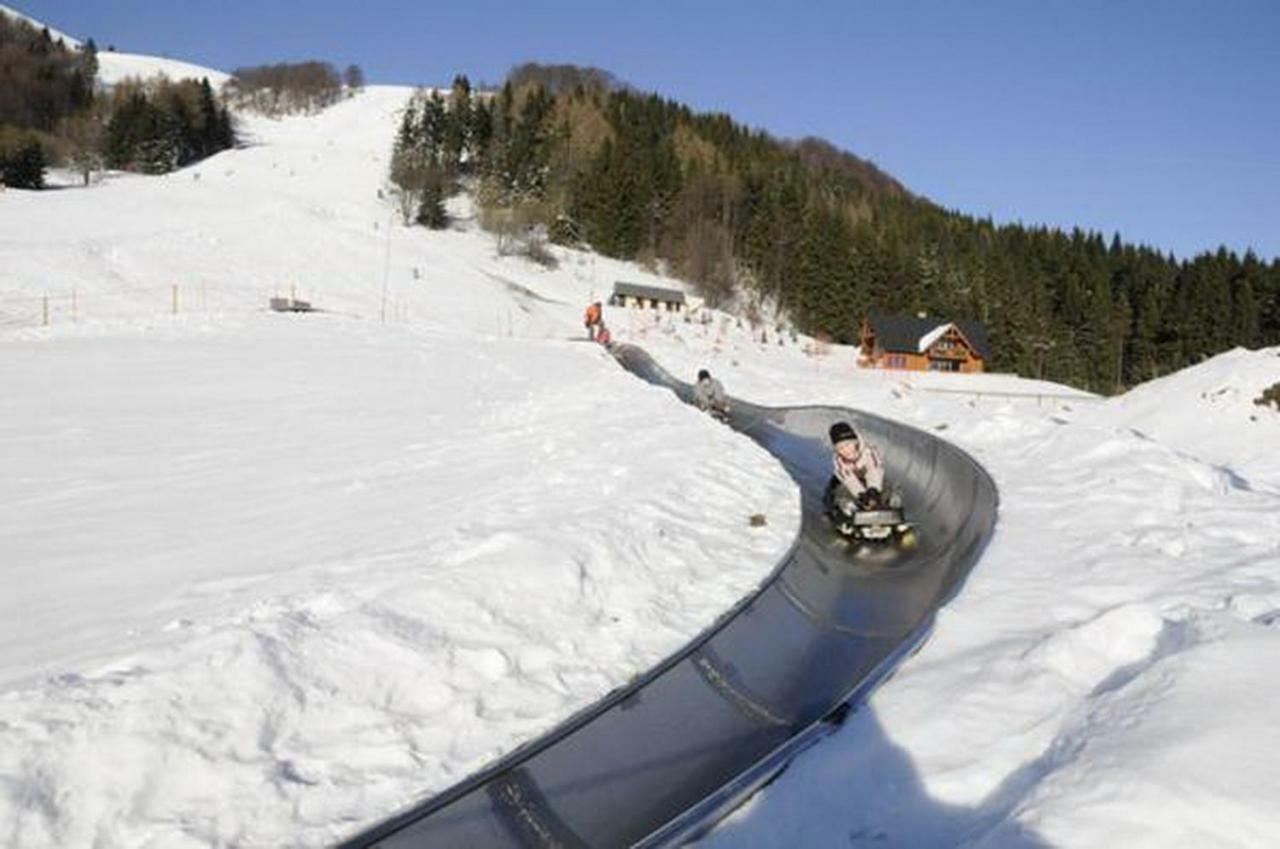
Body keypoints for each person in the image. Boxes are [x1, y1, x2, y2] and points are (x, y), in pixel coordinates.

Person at [822, 421, 887, 515]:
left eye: (848, 445)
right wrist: (861, 495)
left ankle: (889, 503)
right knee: (839, 490)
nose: (845, 450)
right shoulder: (839, 461)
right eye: (840, 448)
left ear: (855, 442)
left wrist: (873, 490)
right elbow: (849, 479)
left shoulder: (869, 452)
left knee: (886, 486)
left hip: (872, 480)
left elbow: (874, 470)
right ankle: (848, 508)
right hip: (851, 484)